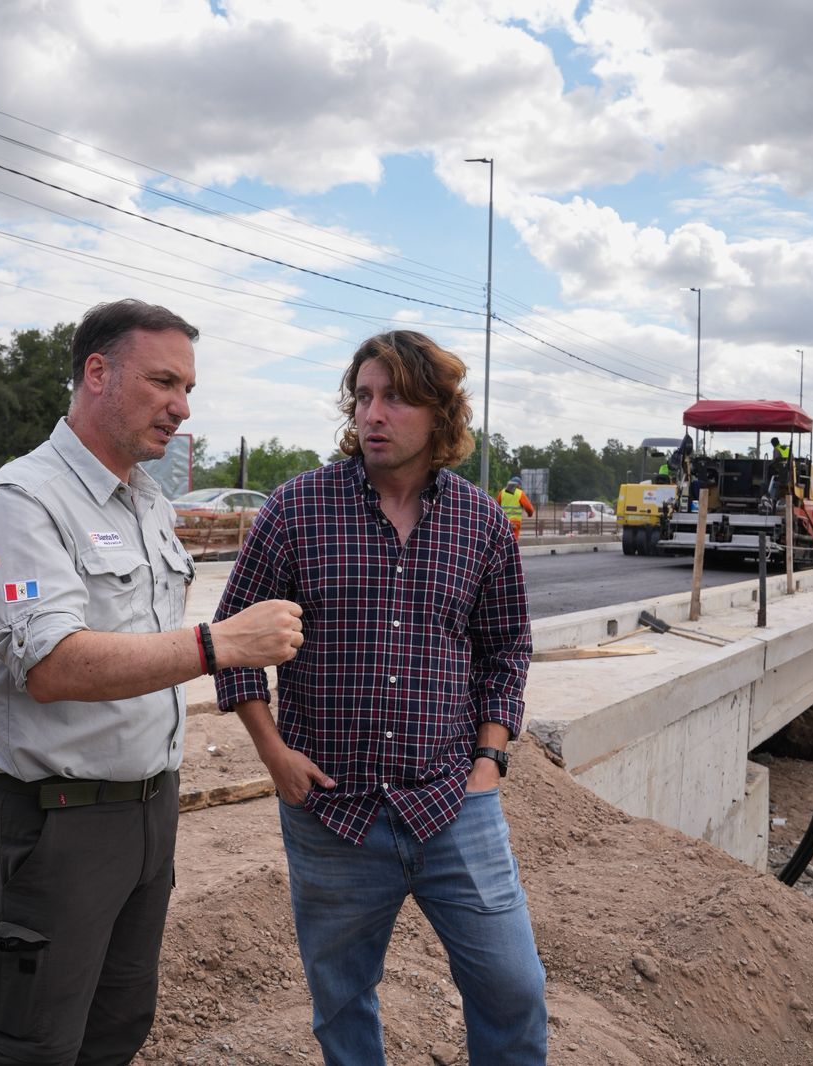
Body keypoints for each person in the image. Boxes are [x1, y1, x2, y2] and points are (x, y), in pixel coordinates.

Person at [0, 298, 304, 1065]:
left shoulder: (146, 501)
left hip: (151, 811)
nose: (181, 409)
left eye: (188, 390)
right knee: (36, 1046)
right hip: (60, 824)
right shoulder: (24, 501)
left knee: (116, 1032)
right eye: (162, 382)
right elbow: (52, 665)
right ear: (96, 372)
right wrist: (215, 645)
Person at [213, 330, 547, 1063]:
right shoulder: (296, 509)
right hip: (330, 810)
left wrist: (487, 764)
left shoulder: (482, 522)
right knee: (342, 1004)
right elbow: (231, 647)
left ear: (440, 414)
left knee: (513, 988)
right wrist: (275, 757)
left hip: (452, 804)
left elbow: (505, 652)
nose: (374, 413)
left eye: (395, 397)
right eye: (364, 396)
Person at [499, 474, 536, 540]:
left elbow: (496, 505)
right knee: (514, 542)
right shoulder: (520, 493)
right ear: (518, 485)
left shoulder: (502, 492)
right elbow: (529, 508)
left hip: (503, 522)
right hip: (514, 523)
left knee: (503, 541)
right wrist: (530, 514)